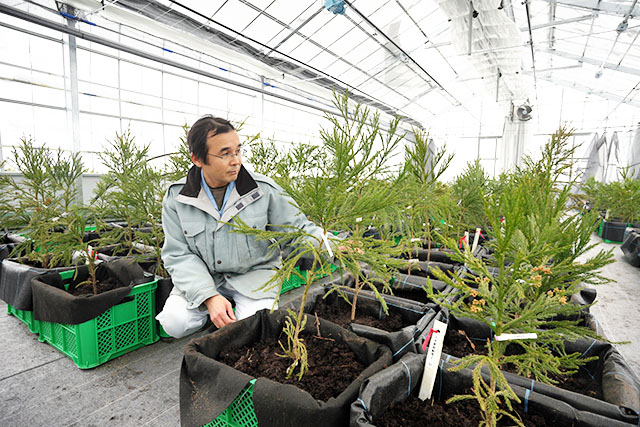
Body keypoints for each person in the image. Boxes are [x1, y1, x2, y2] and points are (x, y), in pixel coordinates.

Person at [156, 115, 329, 338]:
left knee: (254, 332)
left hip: (253, 276)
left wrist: (333, 246)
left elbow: (297, 229)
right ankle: (214, 312)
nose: (235, 160)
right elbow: (178, 254)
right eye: (225, 154)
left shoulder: (262, 189)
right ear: (197, 159)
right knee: (174, 322)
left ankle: (231, 314)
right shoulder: (177, 197)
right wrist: (209, 296)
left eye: (238, 151)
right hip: (207, 277)